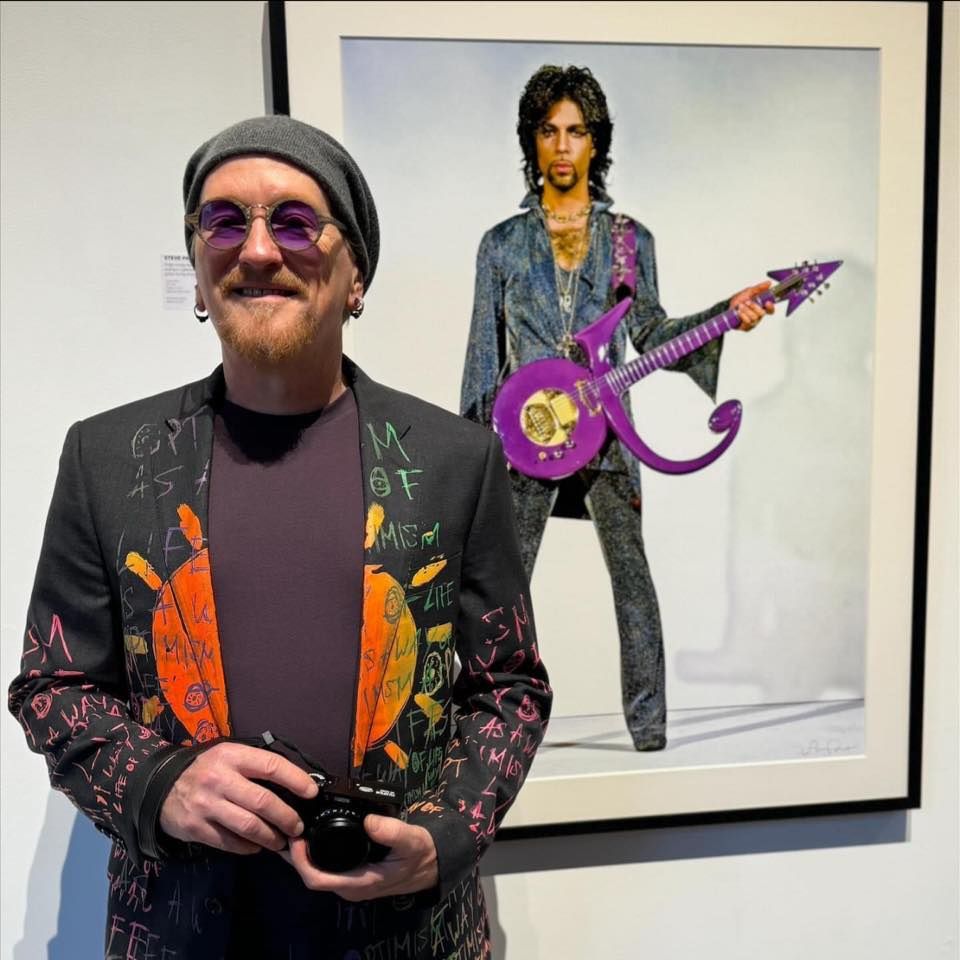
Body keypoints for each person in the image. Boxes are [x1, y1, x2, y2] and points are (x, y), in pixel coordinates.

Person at [9, 115, 551, 960]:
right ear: (197, 271)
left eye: (295, 221)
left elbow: (509, 687)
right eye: (224, 222)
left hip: (409, 938)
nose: (257, 251)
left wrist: (443, 838)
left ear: (355, 274)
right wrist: (161, 786)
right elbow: (53, 687)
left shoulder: (457, 460)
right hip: (181, 936)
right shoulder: (104, 459)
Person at [460, 65, 771, 752]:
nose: (563, 146)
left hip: (607, 433)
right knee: (501, 592)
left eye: (576, 131)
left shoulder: (631, 240)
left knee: (632, 579)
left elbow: (654, 331)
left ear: (596, 143)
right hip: (523, 438)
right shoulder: (501, 246)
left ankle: (650, 727)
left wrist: (727, 316)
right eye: (549, 131)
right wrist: (470, 452)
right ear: (531, 142)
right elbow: (485, 354)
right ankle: (489, 726)